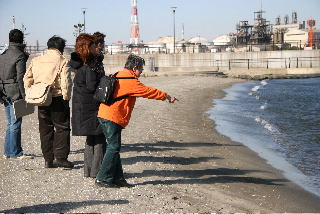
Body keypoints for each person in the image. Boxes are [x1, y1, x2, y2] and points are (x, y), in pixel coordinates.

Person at [95, 54, 178, 188]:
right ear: (134, 68)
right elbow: (147, 91)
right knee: (113, 147)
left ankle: (118, 178)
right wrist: (166, 96)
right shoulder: (130, 80)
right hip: (111, 116)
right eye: (141, 69)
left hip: (106, 114)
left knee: (114, 147)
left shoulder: (118, 74)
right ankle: (102, 178)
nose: (142, 71)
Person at [23, 36, 73, 168]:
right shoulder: (63, 61)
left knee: (45, 129)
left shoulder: (36, 60)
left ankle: (48, 159)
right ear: (61, 48)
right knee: (62, 127)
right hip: (57, 97)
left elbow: (27, 78)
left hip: (41, 98)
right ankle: (61, 158)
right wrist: (66, 97)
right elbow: (66, 82)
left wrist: (32, 92)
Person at [69, 33, 106, 178]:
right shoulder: (89, 65)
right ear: (86, 47)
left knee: (91, 138)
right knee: (99, 137)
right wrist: (107, 83)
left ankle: (89, 170)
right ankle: (98, 171)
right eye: (92, 45)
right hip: (91, 105)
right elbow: (92, 86)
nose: (96, 46)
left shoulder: (80, 63)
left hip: (83, 105)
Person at [0, 29, 32, 160]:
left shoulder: (3, 53)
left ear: (9, 39)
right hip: (15, 91)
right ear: (22, 40)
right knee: (15, 122)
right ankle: (15, 153)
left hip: (3, 90)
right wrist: (25, 95)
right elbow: (20, 77)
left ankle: (8, 152)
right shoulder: (19, 55)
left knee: (10, 122)